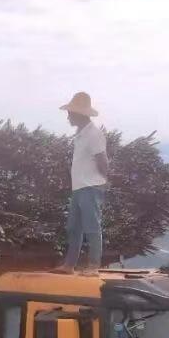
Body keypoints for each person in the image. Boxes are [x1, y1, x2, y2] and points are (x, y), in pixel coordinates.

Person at [56, 91, 109, 274]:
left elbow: (102, 160)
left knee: (92, 225)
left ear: (79, 114)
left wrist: (104, 180)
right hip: (79, 187)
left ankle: (94, 265)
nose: (68, 117)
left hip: (91, 186)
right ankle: (69, 265)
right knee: (74, 227)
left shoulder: (94, 134)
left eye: (70, 113)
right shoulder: (80, 135)